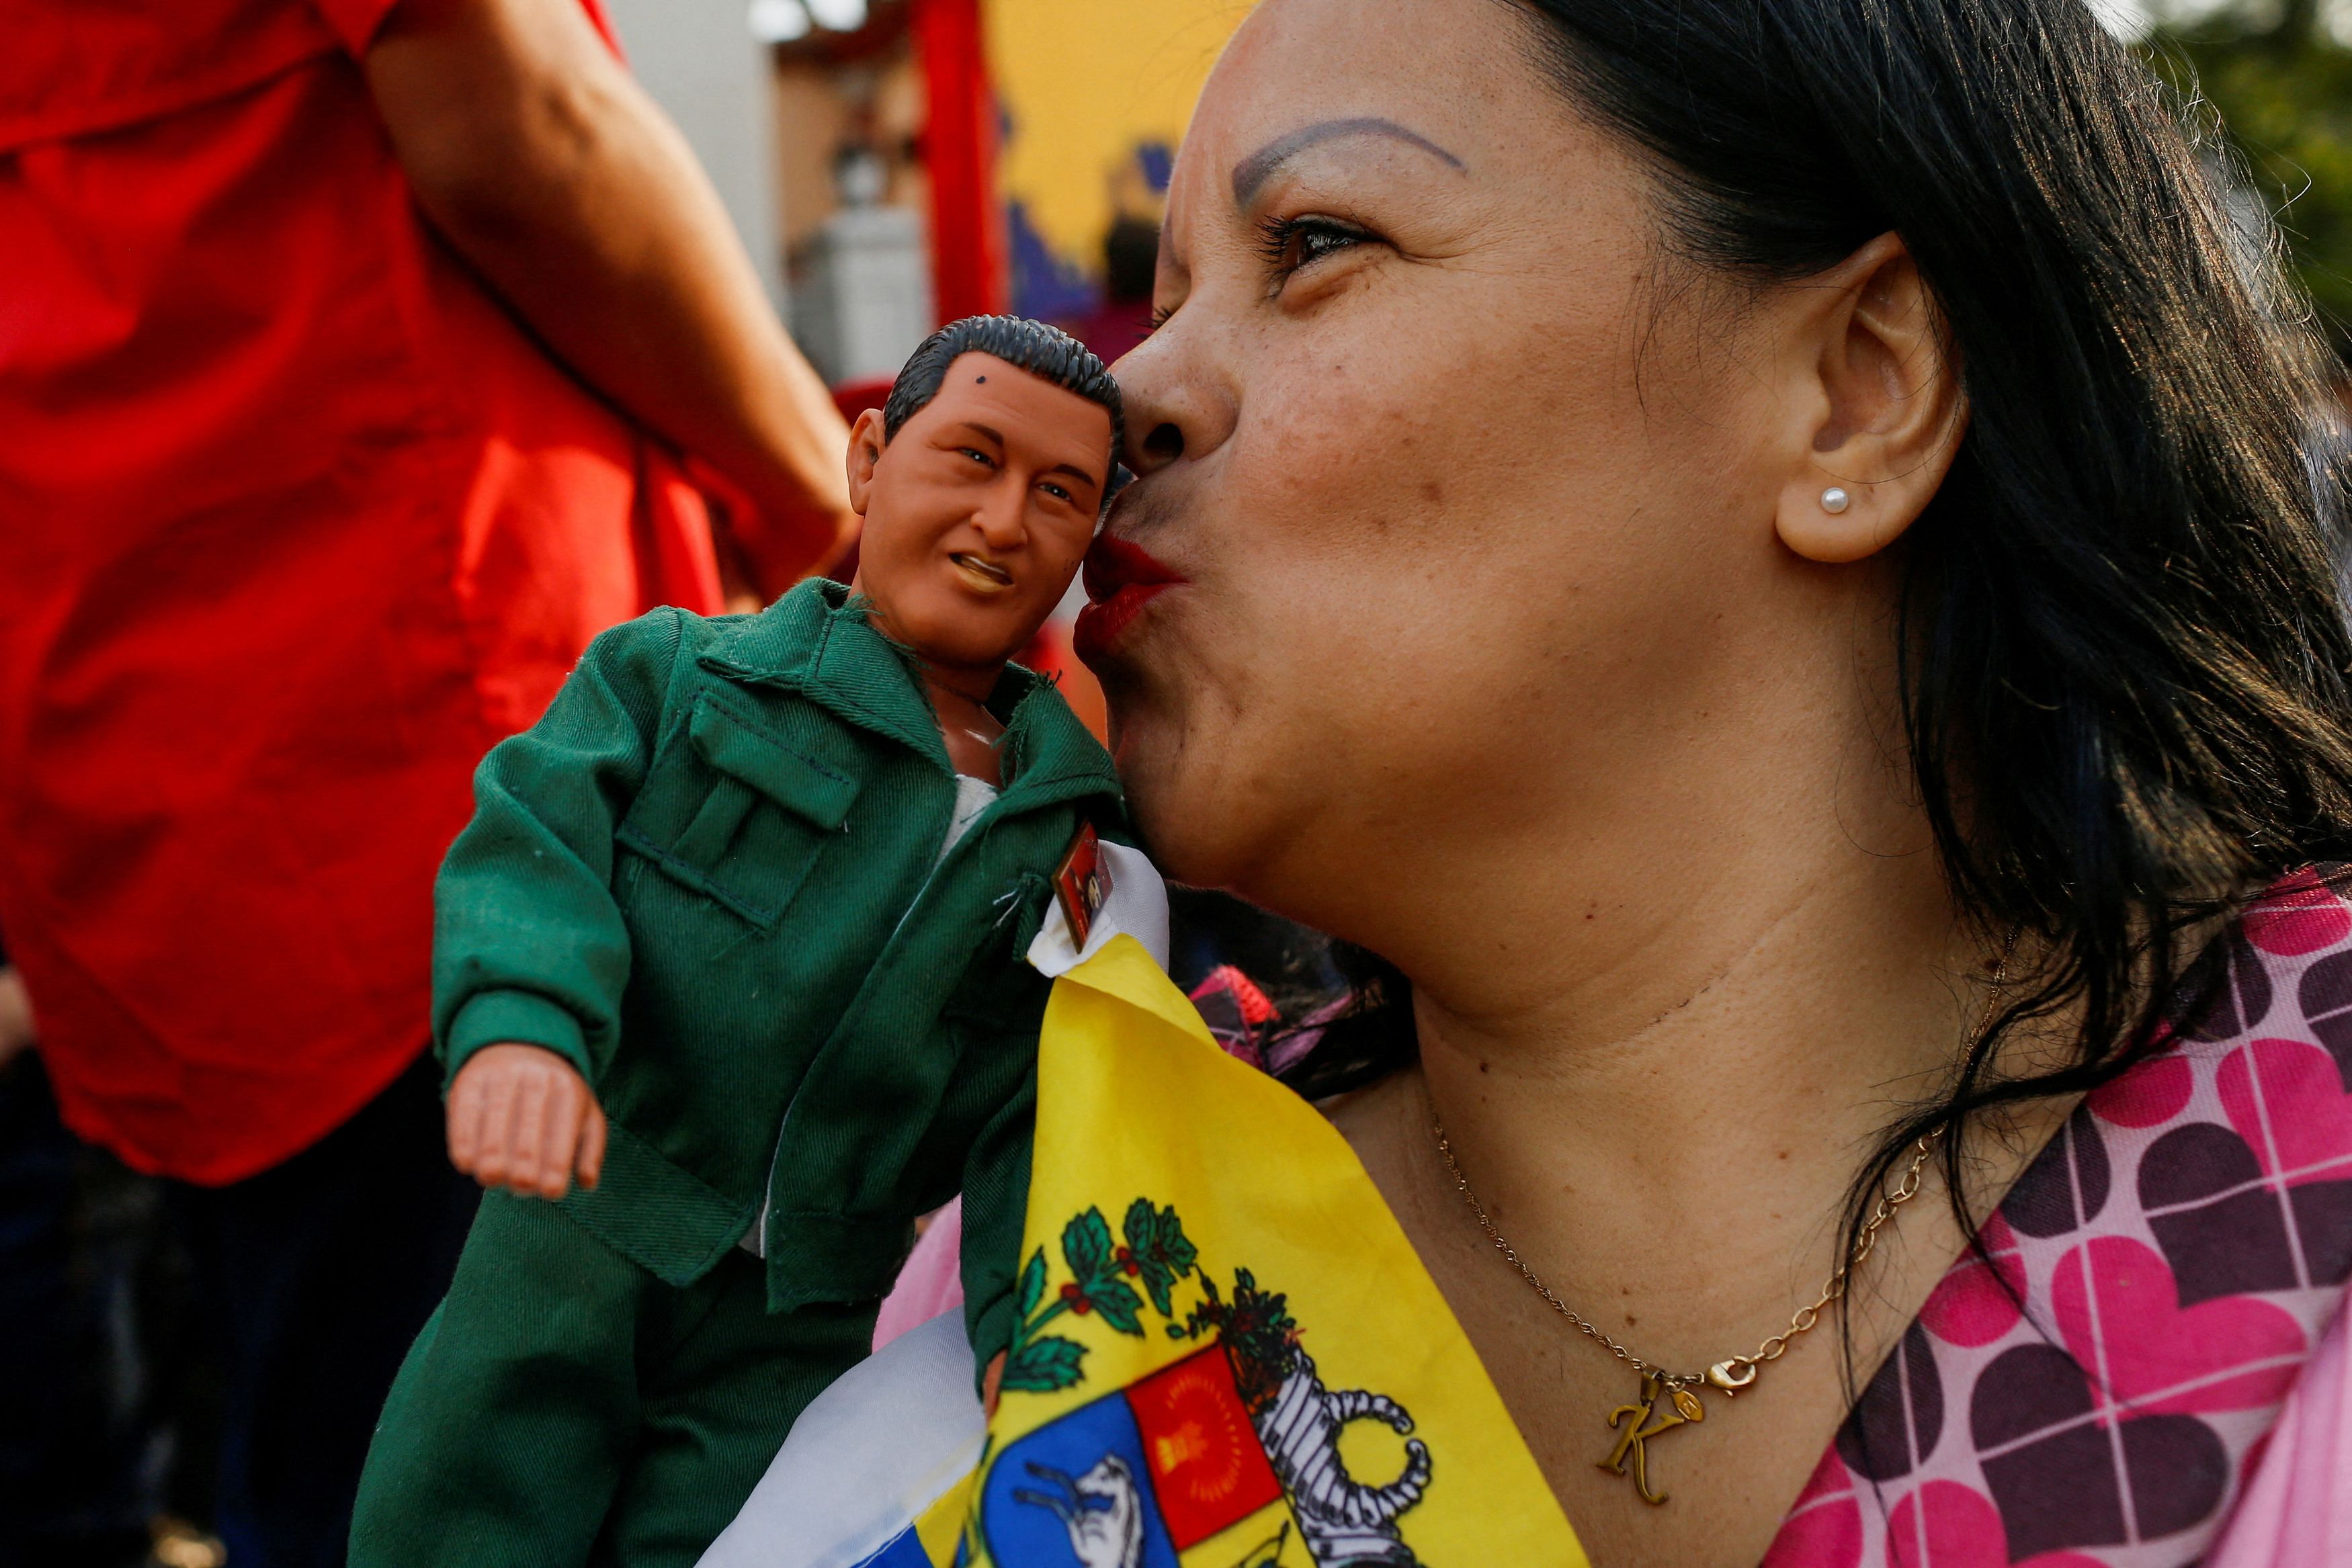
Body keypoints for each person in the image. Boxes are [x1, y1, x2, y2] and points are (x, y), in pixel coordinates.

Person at [1075, 0, 2352, 1564]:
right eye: (1168, 294)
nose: (1129, 389)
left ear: (1856, 390)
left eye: (1315, 244)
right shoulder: (1054, 1257)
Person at [0, 0, 853, 1561]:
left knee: (342, 1452)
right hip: (442, 747)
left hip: (152, 788)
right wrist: (826, 505)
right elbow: (519, 125)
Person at [351, 317, 1124, 1568]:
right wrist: (521, 1030)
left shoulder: (1067, 838)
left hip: (800, 1323)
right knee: (455, 1516)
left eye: (1059, 494)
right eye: (969, 459)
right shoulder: (678, 680)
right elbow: (533, 852)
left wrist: (1021, 1339)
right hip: (583, 1226)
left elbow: (1032, 1114)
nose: (1001, 521)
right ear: (869, 459)